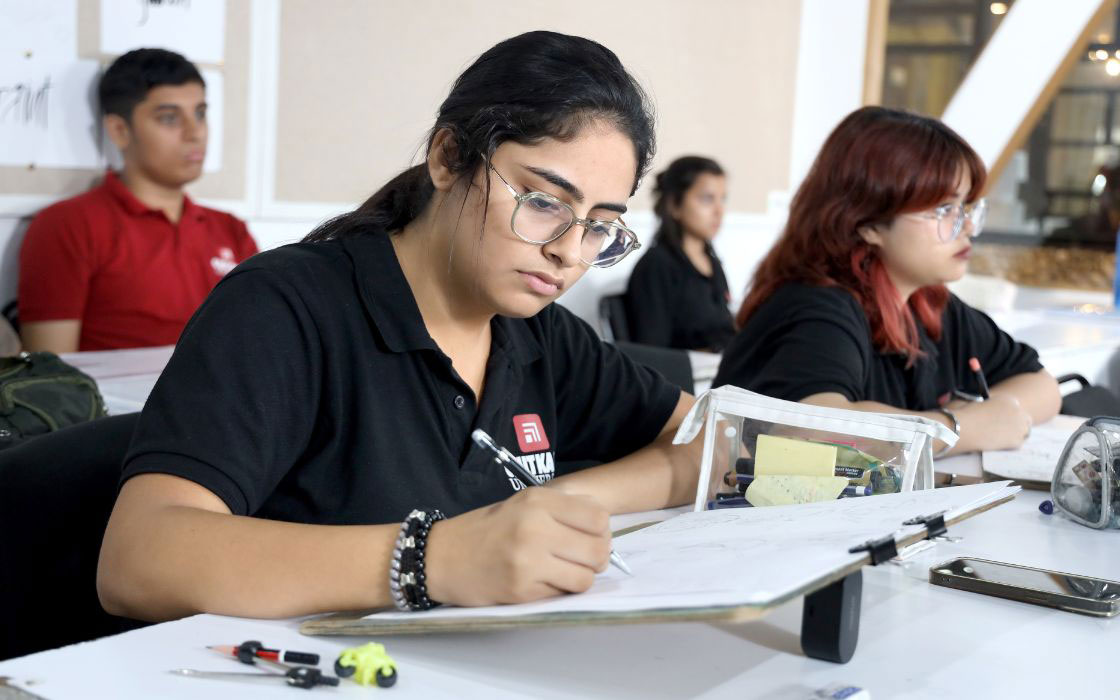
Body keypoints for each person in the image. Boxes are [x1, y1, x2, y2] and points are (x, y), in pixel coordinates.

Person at [98, 31, 701, 622]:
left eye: (598, 224)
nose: (569, 253)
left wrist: (560, 505)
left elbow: (713, 443)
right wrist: (432, 558)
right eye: (543, 202)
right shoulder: (286, 308)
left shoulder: (538, 333)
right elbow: (139, 561)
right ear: (448, 158)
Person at [714, 107, 1061, 455]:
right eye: (944, 210)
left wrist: (988, 417)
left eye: (965, 207)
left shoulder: (929, 304)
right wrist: (956, 427)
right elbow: (808, 429)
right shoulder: (817, 305)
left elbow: (1043, 386)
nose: (967, 227)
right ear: (868, 224)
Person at [18, 48, 258, 353]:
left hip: (227, 400)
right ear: (119, 131)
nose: (194, 132)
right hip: (121, 402)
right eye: (170, 118)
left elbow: (255, 347)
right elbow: (51, 377)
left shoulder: (231, 230)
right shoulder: (67, 225)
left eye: (200, 113)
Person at [623, 156, 735, 351]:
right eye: (707, 199)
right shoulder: (657, 266)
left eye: (722, 199)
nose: (719, 211)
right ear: (675, 204)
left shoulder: (712, 262)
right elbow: (653, 350)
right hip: (684, 377)